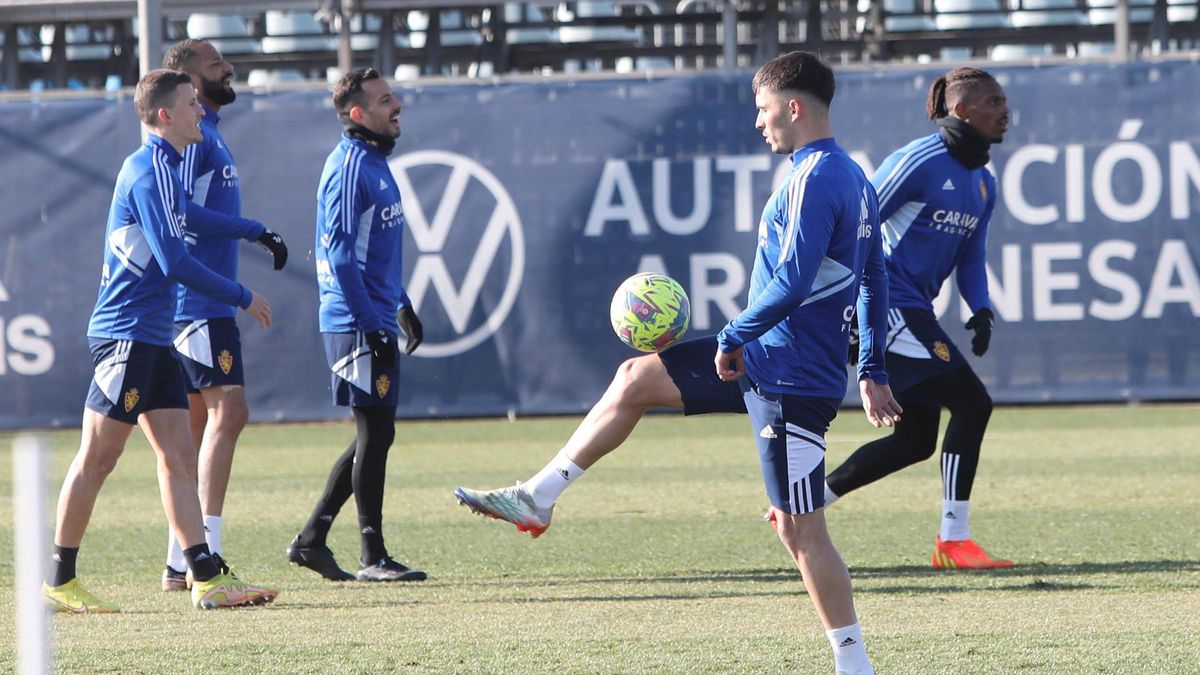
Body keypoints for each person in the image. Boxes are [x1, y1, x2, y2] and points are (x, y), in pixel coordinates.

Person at [455, 51, 901, 675]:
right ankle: (537, 495)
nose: (759, 123)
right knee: (635, 378)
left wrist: (732, 337)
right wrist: (874, 369)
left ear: (794, 108)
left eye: (764, 110)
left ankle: (855, 665)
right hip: (766, 361)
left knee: (801, 531)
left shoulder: (817, 178)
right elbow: (875, 275)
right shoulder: (850, 176)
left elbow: (797, 283)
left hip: (790, 376)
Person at [42, 69, 279, 613]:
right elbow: (175, 260)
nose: (201, 111)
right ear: (164, 115)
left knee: (178, 456)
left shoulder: (168, 167)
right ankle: (59, 579)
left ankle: (203, 575)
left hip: (153, 335)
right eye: (192, 104)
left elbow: (188, 217)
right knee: (98, 458)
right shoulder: (147, 170)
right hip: (126, 335)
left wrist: (250, 229)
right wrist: (243, 294)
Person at [823, 67, 1013, 570]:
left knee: (914, 441)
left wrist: (982, 310)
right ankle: (953, 541)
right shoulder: (919, 161)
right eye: (993, 101)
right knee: (973, 404)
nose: (1005, 110)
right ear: (962, 111)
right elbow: (857, 225)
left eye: (1003, 101)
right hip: (890, 305)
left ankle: (802, 504)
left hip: (915, 309)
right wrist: (846, 308)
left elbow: (972, 256)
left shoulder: (984, 184)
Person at [156, 39, 290, 592]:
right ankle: (204, 553)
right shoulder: (193, 139)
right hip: (201, 303)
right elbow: (182, 216)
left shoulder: (206, 134)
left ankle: (177, 560)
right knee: (229, 414)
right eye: (214, 65)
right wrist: (253, 231)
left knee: (192, 430)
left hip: (195, 303)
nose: (228, 69)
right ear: (185, 78)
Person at [286, 68, 427, 583]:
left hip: (370, 315)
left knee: (377, 433)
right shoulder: (349, 167)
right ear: (357, 113)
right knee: (375, 431)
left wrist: (402, 304)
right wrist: (372, 322)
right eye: (386, 99)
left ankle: (312, 540)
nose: (398, 105)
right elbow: (341, 257)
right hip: (354, 320)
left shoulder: (374, 162)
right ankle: (372, 556)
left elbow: (376, 256)